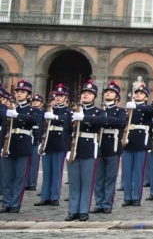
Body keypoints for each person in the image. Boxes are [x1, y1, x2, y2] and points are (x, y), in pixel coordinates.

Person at [62, 80, 107, 221]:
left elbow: (103, 122)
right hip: (74, 148)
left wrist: (85, 118)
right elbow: (66, 132)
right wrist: (67, 149)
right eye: (84, 93)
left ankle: (83, 211)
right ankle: (73, 210)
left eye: (89, 93)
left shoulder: (98, 112)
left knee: (87, 182)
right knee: (74, 182)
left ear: (94, 97)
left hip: (89, 148)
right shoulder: (71, 111)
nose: (85, 95)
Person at [1, 79, 42, 213]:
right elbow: (3, 129)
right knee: (7, 177)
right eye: (18, 91)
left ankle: (15, 203)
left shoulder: (31, 110)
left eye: (22, 92)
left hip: (23, 145)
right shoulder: (7, 108)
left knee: (19, 177)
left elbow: (35, 120)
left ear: (28, 95)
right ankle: (7, 203)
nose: (19, 94)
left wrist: (17, 115)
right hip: (8, 144)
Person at [91, 81, 125, 215]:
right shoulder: (99, 110)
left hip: (113, 145)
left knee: (110, 177)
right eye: (106, 92)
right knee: (98, 177)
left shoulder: (119, 111)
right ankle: (98, 203)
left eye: (111, 92)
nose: (108, 94)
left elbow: (121, 123)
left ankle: (107, 203)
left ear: (117, 96)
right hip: (99, 145)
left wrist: (104, 119)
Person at [35, 85, 72, 207]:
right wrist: (40, 141)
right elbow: (42, 126)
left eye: (61, 96)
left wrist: (56, 117)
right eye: (57, 95)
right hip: (48, 141)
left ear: (66, 98)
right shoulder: (48, 110)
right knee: (47, 171)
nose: (58, 98)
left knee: (56, 172)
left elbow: (68, 119)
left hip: (59, 143)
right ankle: (45, 196)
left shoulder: (68, 110)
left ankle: (55, 196)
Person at [121, 82, 153, 207]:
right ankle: (127, 197)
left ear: (146, 97)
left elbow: (151, 110)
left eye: (141, 94)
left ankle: (136, 197)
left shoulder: (147, 108)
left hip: (141, 141)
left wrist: (136, 107)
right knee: (127, 171)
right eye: (137, 93)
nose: (138, 95)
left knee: (138, 171)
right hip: (128, 141)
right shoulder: (129, 108)